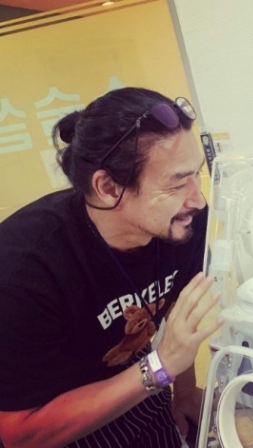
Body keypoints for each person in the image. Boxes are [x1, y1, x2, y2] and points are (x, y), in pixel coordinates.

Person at [0, 87, 223, 448]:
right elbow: (20, 433)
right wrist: (160, 366)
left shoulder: (184, 222)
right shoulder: (22, 272)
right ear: (107, 187)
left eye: (197, 174)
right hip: (54, 408)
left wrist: (182, 392)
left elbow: (182, 315)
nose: (197, 198)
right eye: (177, 183)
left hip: (137, 375)